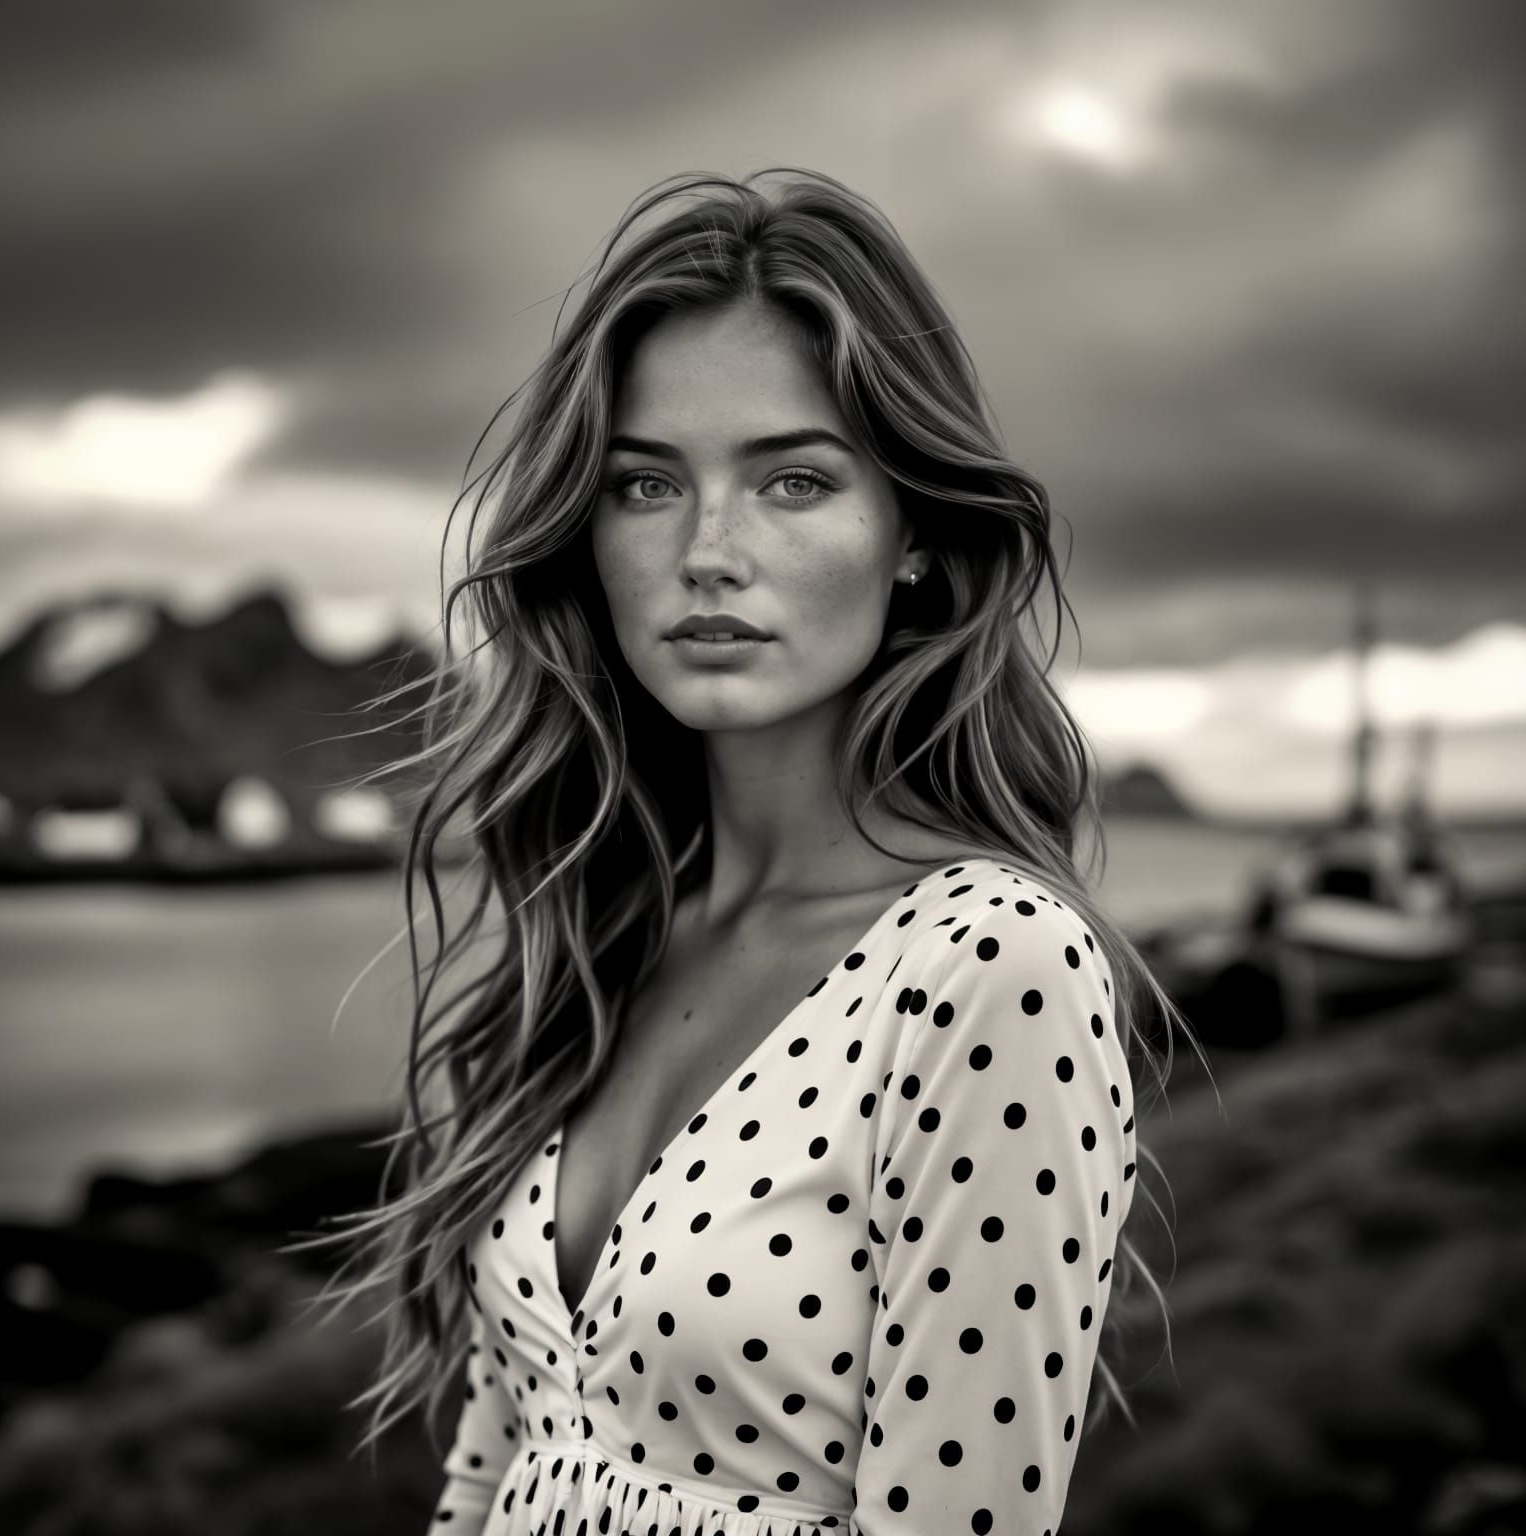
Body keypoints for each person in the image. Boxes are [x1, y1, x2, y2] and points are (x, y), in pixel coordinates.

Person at [303, 167, 1200, 1535]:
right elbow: (495, 1471)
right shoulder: (610, 931)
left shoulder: (991, 967)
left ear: (916, 534)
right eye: (645, 485)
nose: (708, 553)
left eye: (793, 480)